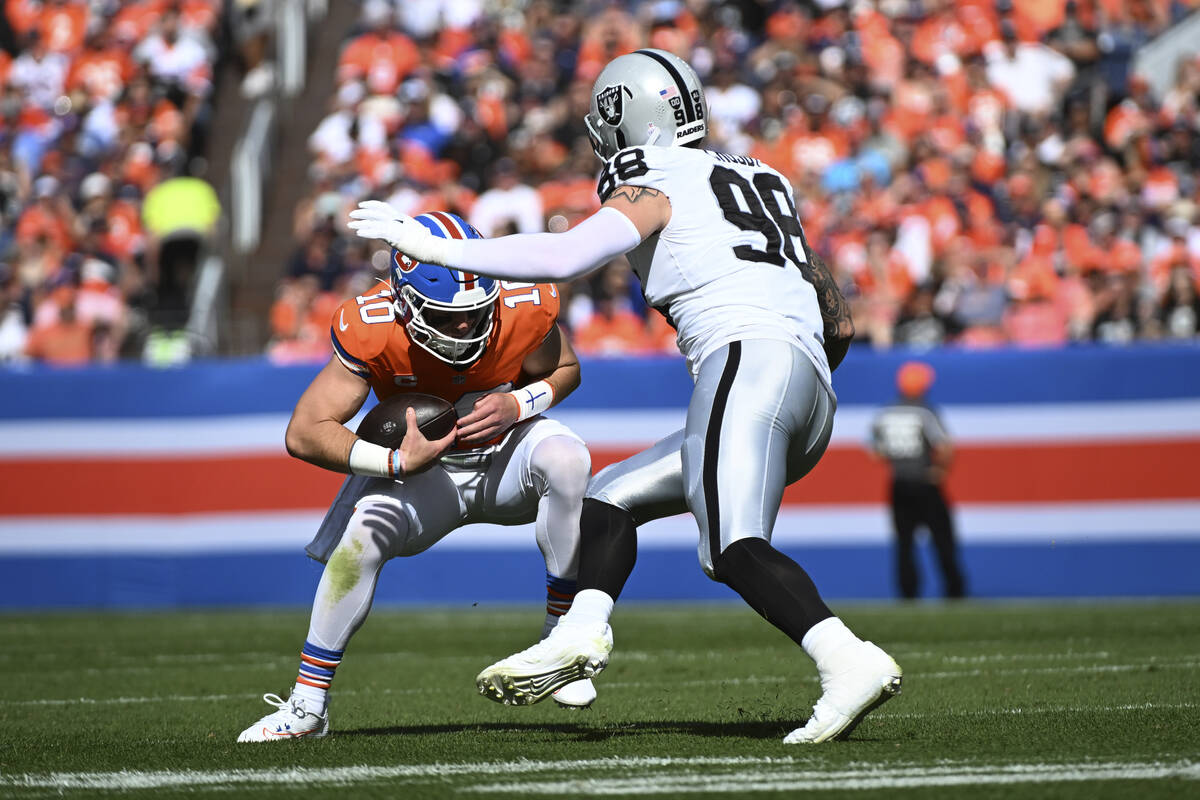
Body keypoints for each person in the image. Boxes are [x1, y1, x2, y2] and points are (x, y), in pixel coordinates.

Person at [349, 50, 902, 744]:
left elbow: (562, 258)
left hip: (747, 361)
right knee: (609, 500)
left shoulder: (655, 174)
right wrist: (798, 374)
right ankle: (579, 632)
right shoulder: (761, 175)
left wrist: (428, 247)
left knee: (731, 548)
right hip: (809, 380)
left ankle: (847, 660)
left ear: (627, 118)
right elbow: (838, 317)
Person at [237, 212, 595, 742]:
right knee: (360, 537)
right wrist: (395, 463)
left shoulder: (523, 301)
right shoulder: (372, 323)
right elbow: (305, 431)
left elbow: (566, 369)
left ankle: (558, 641)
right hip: (428, 477)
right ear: (404, 302)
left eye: (476, 314)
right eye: (448, 316)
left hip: (507, 459)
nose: (465, 327)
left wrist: (518, 402)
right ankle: (308, 706)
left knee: (568, 457)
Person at [870, 362, 966, 600]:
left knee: (904, 544)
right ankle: (954, 591)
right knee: (943, 539)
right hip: (924, 482)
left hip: (899, 483)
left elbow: (876, 451)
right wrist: (940, 471)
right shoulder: (925, 411)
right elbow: (944, 447)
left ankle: (908, 594)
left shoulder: (886, 413)